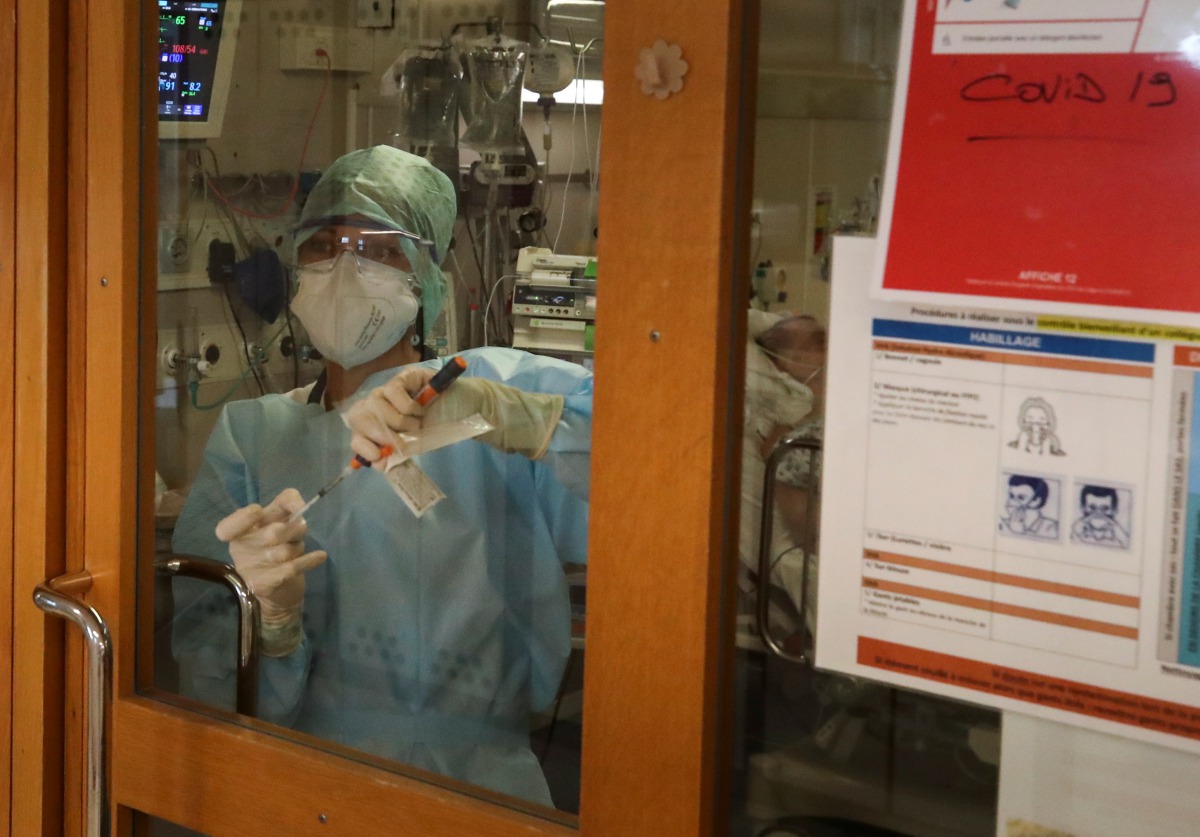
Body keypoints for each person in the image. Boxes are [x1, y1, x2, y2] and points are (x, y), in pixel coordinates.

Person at [169, 145, 592, 806]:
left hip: (476, 791)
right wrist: (268, 623)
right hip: (302, 788)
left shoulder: (491, 388)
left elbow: (659, 491)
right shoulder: (254, 434)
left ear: (427, 277)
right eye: (326, 243)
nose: (346, 263)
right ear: (297, 265)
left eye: (380, 247)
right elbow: (207, 672)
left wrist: (527, 422)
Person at [739, 310, 826, 640]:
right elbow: (809, 537)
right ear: (781, 363)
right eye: (819, 341)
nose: (833, 347)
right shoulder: (787, 447)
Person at [999, 475, 1058, 539]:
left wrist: (1018, 532)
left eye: (1021, 498)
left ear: (1036, 501)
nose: (1011, 502)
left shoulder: (1051, 527)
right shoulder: (1002, 524)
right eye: (1011, 496)